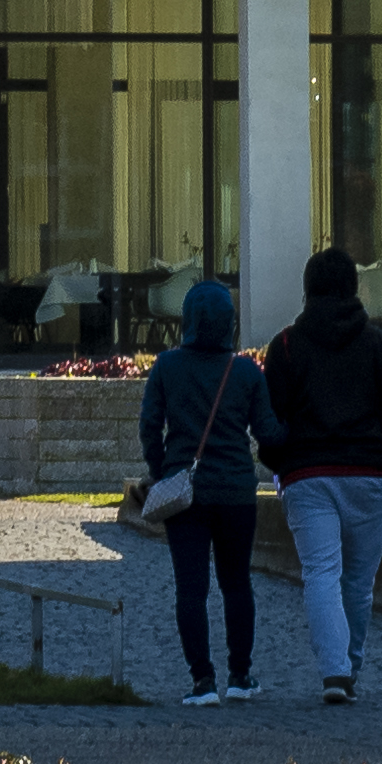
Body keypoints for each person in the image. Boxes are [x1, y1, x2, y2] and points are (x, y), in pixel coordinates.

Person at [258, 247, 382, 706]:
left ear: (308, 289)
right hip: (371, 474)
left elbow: (274, 418)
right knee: (358, 582)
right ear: (354, 287)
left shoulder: (287, 345)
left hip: (308, 473)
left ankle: (336, 670)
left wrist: (280, 464)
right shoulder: (377, 345)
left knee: (321, 574)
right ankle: (348, 666)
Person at [135, 277, 276, 702]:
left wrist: (164, 471)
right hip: (236, 491)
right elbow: (267, 431)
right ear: (229, 323)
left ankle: (202, 680)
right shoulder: (246, 371)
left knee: (190, 589)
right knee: (237, 584)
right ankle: (240, 675)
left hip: (186, 494)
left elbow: (148, 428)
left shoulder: (166, 367)